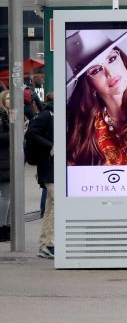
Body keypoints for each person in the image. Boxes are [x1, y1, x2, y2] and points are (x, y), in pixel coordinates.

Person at [65, 30, 127, 166]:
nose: (110, 73)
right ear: (88, 85)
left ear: (122, 59)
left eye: (111, 59)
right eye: (96, 70)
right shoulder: (87, 133)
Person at [26, 92, 54, 258]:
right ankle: (49, 244)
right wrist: (51, 146)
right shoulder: (47, 115)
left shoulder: (52, 114)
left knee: (51, 207)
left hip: (51, 166)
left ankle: (45, 244)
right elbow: (30, 133)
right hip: (48, 166)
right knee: (57, 206)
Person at [0, 91, 10, 241]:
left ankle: (7, 226)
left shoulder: (7, 116)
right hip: (3, 161)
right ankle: (3, 227)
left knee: (9, 197)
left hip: (7, 160)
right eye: (8, 98)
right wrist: (13, 134)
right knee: (6, 197)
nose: (10, 100)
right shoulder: (2, 118)